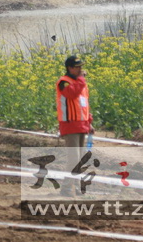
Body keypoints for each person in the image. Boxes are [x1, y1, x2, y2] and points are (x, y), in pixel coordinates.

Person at [56, 55, 93, 197]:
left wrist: (89, 122)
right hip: (70, 125)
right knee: (73, 158)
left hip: (81, 125)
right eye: (77, 67)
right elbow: (72, 94)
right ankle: (66, 188)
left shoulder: (80, 83)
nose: (80, 69)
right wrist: (82, 79)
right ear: (69, 68)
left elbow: (84, 105)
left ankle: (75, 186)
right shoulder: (64, 82)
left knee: (79, 159)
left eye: (81, 67)